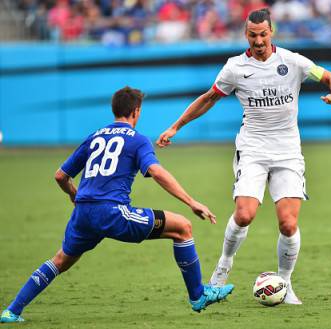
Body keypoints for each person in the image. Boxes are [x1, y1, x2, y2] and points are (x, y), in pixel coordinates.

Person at [157, 8, 331, 305]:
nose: (258, 41)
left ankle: (286, 283)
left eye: (263, 34)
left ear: (272, 33)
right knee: (244, 214)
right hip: (253, 149)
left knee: (288, 224)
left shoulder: (293, 62)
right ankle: (223, 265)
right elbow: (209, 98)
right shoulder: (234, 67)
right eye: (253, 35)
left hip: (287, 151)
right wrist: (176, 126)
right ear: (246, 34)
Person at [0, 86, 233, 323]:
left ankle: (12, 310)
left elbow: (61, 175)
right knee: (183, 227)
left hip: (83, 213)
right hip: (112, 212)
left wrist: (74, 195)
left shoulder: (95, 136)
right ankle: (198, 295)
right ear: (136, 111)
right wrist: (191, 201)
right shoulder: (138, 140)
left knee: (60, 260)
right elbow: (156, 171)